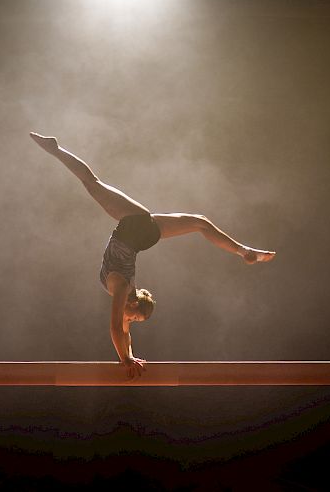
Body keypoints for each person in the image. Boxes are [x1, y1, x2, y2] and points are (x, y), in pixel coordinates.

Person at [29, 132, 276, 378]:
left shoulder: (125, 294)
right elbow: (116, 328)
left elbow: (124, 332)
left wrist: (129, 356)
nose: (131, 321)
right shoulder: (123, 289)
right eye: (135, 317)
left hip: (141, 233)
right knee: (91, 182)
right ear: (134, 304)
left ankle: (245, 251)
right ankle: (55, 149)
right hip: (134, 227)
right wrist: (125, 359)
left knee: (200, 222)